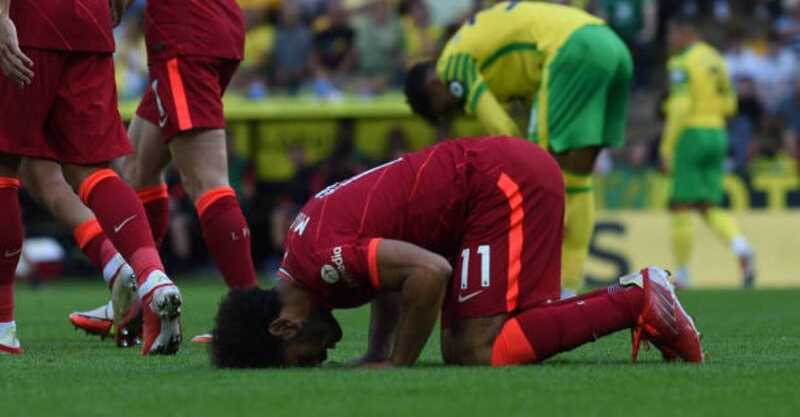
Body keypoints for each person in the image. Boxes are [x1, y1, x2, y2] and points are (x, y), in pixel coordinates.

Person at [210, 137, 704, 368]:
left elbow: (428, 272)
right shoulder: (307, 265)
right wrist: (378, 351)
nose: (320, 358)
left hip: (500, 186)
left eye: (303, 359)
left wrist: (397, 365)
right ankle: (633, 300)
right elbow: (386, 276)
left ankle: (639, 300)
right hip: (490, 187)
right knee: (465, 349)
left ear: (284, 326)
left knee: (476, 350)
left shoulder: (321, 263)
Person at [69, 0, 259, 343]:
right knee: (137, 168)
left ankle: (254, 321)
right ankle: (140, 299)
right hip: (215, 22)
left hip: (183, 36)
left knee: (206, 180)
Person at [0, 0, 181, 355]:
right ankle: (151, 276)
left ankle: (3, 325)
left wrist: (2, 11)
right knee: (90, 170)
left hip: (28, 16)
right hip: (88, 17)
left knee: (5, 167)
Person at [403, 1, 632, 299]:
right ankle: (570, 285)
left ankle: (540, 283)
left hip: (570, 50)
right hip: (612, 45)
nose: (458, 113)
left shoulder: (450, 65)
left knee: (542, 171)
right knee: (578, 176)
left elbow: (502, 129)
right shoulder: (490, 60)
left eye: (444, 109)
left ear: (435, 86)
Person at [659, 17, 756, 289]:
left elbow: (680, 105)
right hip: (717, 133)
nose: (670, 43)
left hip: (691, 133)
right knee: (708, 204)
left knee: (680, 204)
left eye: (672, 36)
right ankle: (741, 247)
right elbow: (731, 104)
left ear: (684, 33)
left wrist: (667, 146)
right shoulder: (717, 59)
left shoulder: (682, 62)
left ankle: (683, 274)